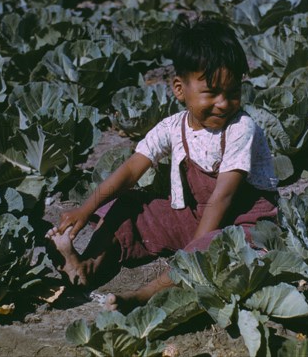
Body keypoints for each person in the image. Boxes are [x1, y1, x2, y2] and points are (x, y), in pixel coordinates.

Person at [45, 17, 279, 312]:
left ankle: (145, 295)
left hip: (241, 221)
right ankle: (89, 265)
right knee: (129, 206)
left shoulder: (241, 128)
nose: (223, 103)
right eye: (212, 92)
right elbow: (131, 170)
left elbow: (223, 198)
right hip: (192, 216)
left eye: (233, 93)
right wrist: (85, 208)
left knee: (219, 250)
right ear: (180, 89)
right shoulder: (173, 126)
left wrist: (192, 252)